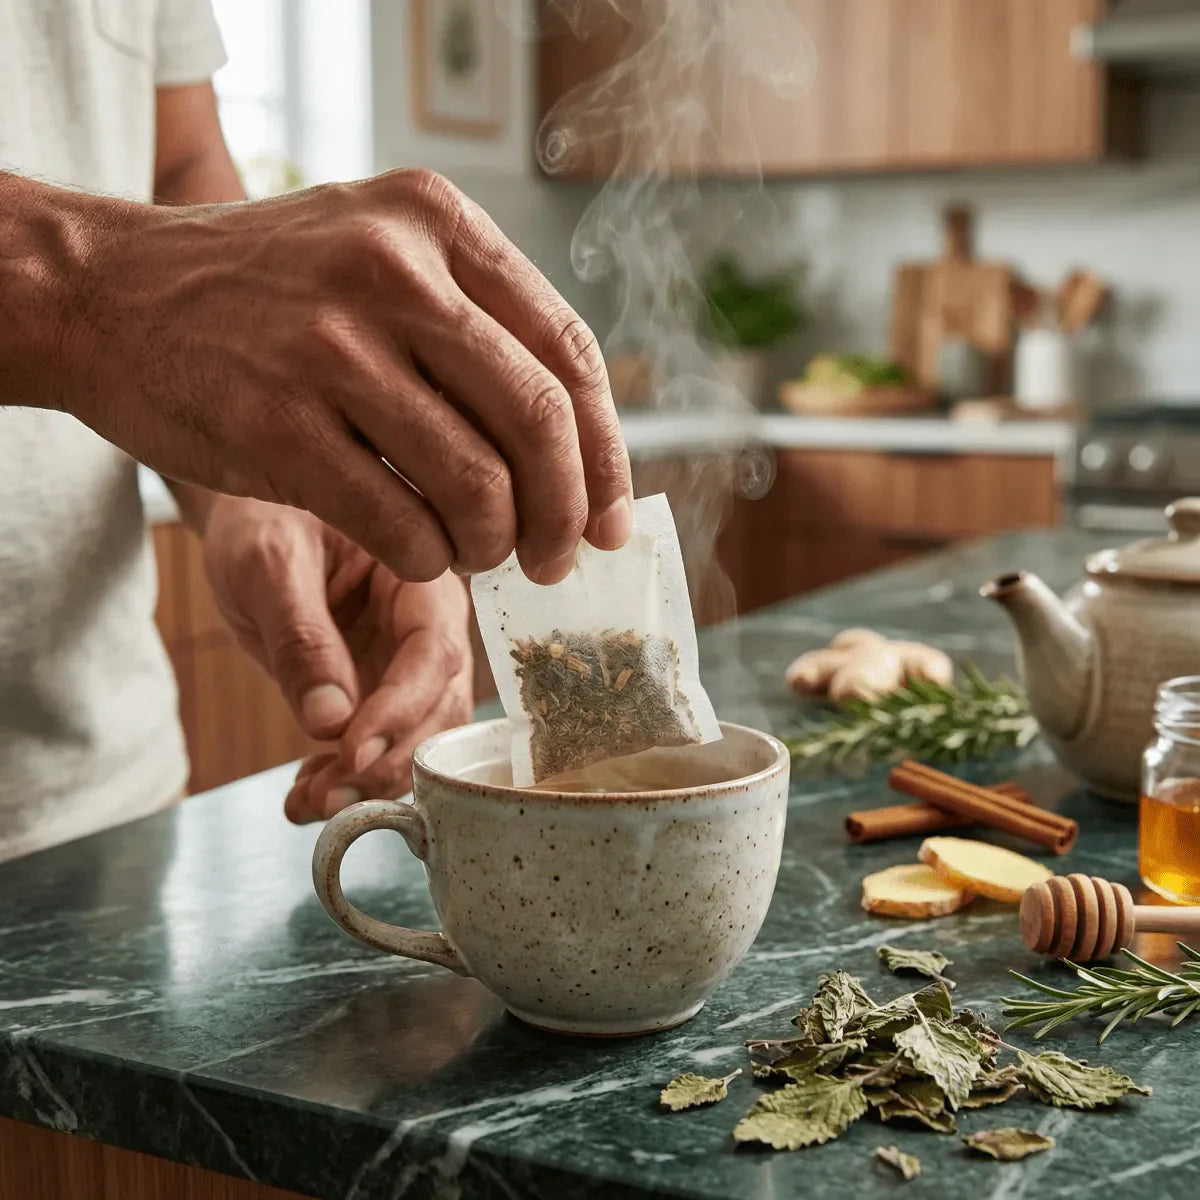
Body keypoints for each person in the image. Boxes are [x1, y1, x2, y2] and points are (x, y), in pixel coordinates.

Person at [0, 1, 632, 861]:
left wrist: (254, 489)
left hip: (108, 800)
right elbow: (124, 288)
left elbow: (177, 160)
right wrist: (93, 284)